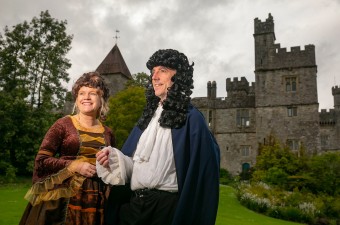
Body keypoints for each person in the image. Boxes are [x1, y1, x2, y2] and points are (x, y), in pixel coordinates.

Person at [96, 49, 220, 225]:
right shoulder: (147, 119)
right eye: (153, 72)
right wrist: (117, 158)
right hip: (134, 205)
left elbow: (202, 173)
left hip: (165, 209)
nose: (154, 77)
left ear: (179, 76)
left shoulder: (191, 119)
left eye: (162, 70)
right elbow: (138, 166)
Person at [19, 72, 115, 225]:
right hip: (60, 201)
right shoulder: (63, 124)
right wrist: (73, 165)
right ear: (76, 99)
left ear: (102, 99)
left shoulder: (108, 132)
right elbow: (41, 161)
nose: (86, 97)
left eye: (93, 93)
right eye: (81, 93)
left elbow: (112, 168)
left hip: (95, 202)